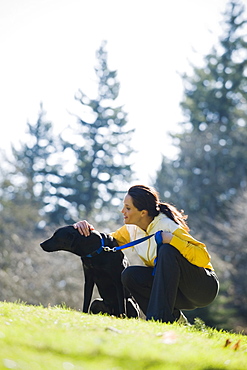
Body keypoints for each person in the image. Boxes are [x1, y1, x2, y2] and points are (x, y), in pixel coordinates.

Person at [74, 184, 219, 324]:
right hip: (176, 292)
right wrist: (86, 230)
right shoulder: (131, 229)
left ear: (143, 212)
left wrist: (172, 240)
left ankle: (158, 319)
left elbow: (203, 257)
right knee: (129, 275)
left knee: (167, 250)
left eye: (128, 208)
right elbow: (107, 242)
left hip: (202, 288)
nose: (122, 211)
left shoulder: (168, 226)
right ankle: (175, 319)